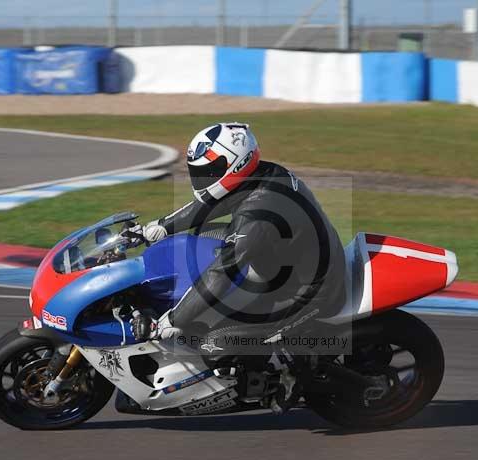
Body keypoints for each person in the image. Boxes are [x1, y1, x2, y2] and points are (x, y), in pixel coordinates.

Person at [131, 123, 346, 404]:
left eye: (210, 171)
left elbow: (221, 274)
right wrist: (160, 227)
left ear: (237, 164)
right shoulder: (260, 174)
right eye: (199, 171)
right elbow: (212, 202)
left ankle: (287, 379)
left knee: (213, 344)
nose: (203, 177)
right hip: (287, 263)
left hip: (306, 292)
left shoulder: (259, 214)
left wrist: (173, 320)